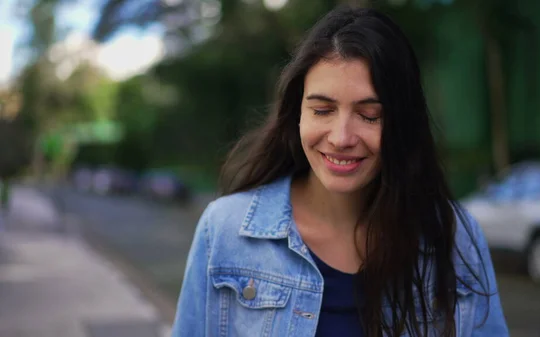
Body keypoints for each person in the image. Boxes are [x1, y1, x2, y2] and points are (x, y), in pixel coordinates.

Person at [172, 5, 509, 337]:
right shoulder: (225, 231)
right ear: (297, 112)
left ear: (402, 123)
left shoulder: (454, 238)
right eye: (322, 110)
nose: (341, 138)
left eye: (369, 115)